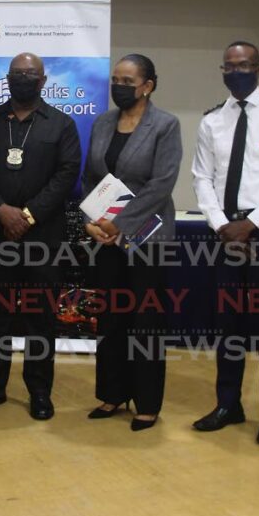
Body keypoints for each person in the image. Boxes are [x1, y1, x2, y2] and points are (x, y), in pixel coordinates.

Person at [191, 41, 259, 444]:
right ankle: (228, 404)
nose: (237, 71)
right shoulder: (211, 121)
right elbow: (202, 177)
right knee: (228, 325)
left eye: (245, 65)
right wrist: (222, 225)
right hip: (223, 233)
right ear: (222, 70)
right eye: (230, 66)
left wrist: (250, 224)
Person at [0, 52, 81, 420]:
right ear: (7, 79)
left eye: (31, 74)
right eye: (17, 74)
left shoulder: (61, 124)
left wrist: (27, 216)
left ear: (43, 81)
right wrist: (1, 210)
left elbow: (67, 176)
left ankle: (40, 391)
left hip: (43, 239)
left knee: (40, 318)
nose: (24, 79)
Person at [82, 54, 181, 431]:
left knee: (145, 321)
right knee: (111, 317)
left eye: (127, 80)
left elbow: (161, 185)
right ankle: (112, 393)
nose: (118, 86)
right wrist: (94, 221)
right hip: (105, 239)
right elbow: (92, 178)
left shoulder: (165, 125)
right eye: (115, 79)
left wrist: (119, 224)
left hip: (147, 239)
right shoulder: (103, 122)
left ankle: (147, 402)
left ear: (148, 86)